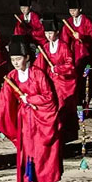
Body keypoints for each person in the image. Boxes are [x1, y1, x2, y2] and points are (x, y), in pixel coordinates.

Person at [0, 36, 62, 182]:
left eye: (18, 59)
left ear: (27, 57)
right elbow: (4, 98)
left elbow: (49, 97)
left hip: (41, 120)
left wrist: (31, 99)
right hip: (24, 122)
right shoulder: (12, 76)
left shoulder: (38, 74)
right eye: (13, 59)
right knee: (27, 153)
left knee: (41, 154)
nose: (15, 62)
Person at [34, 15, 78, 143]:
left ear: (57, 32)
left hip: (64, 82)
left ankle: (66, 134)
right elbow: (39, 65)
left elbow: (70, 65)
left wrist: (58, 69)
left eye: (50, 32)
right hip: (51, 80)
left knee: (63, 107)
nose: (48, 35)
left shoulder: (64, 47)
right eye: (46, 33)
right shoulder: (45, 47)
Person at [61, 0, 92, 93]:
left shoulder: (86, 21)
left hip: (86, 52)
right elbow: (64, 39)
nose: (73, 12)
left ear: (80, 9)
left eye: (75, 10)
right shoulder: (68, 22)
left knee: (85, 74)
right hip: (74, 52)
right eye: (71, 10)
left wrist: (82, 37)